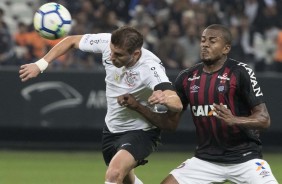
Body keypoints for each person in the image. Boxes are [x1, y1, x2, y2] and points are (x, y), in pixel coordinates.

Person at [19, 26, 183, 184]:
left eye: (118, 55)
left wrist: (164, 97)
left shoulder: (150, 68)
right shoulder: (107, 43)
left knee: (113, 173)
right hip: (111, 129)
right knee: (126, 179)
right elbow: (71, 41)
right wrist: (41, 64)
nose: (111, 57)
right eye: (111, 51)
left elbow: (176, 103)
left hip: (141, 131)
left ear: (136, 54)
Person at [121, 24, 278, 183]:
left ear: (226, 48)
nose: (205, 44)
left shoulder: (240, 72)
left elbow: (264, 120)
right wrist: (137, 106)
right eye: (203, 40)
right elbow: (170, 124)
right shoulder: (187, 77)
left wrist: (235, 120)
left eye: (212, 41)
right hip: (205, 160)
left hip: (245, 159)